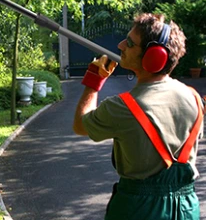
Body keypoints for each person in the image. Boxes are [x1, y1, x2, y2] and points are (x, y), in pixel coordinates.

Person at [73, 13, 204, 220]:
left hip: (138, 209)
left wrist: (94, 82)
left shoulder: (122, 107)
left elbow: (81, 124)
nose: (121, 45)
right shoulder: (194, 98)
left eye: (131, 44)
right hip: (186, 208)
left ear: (154, 58)